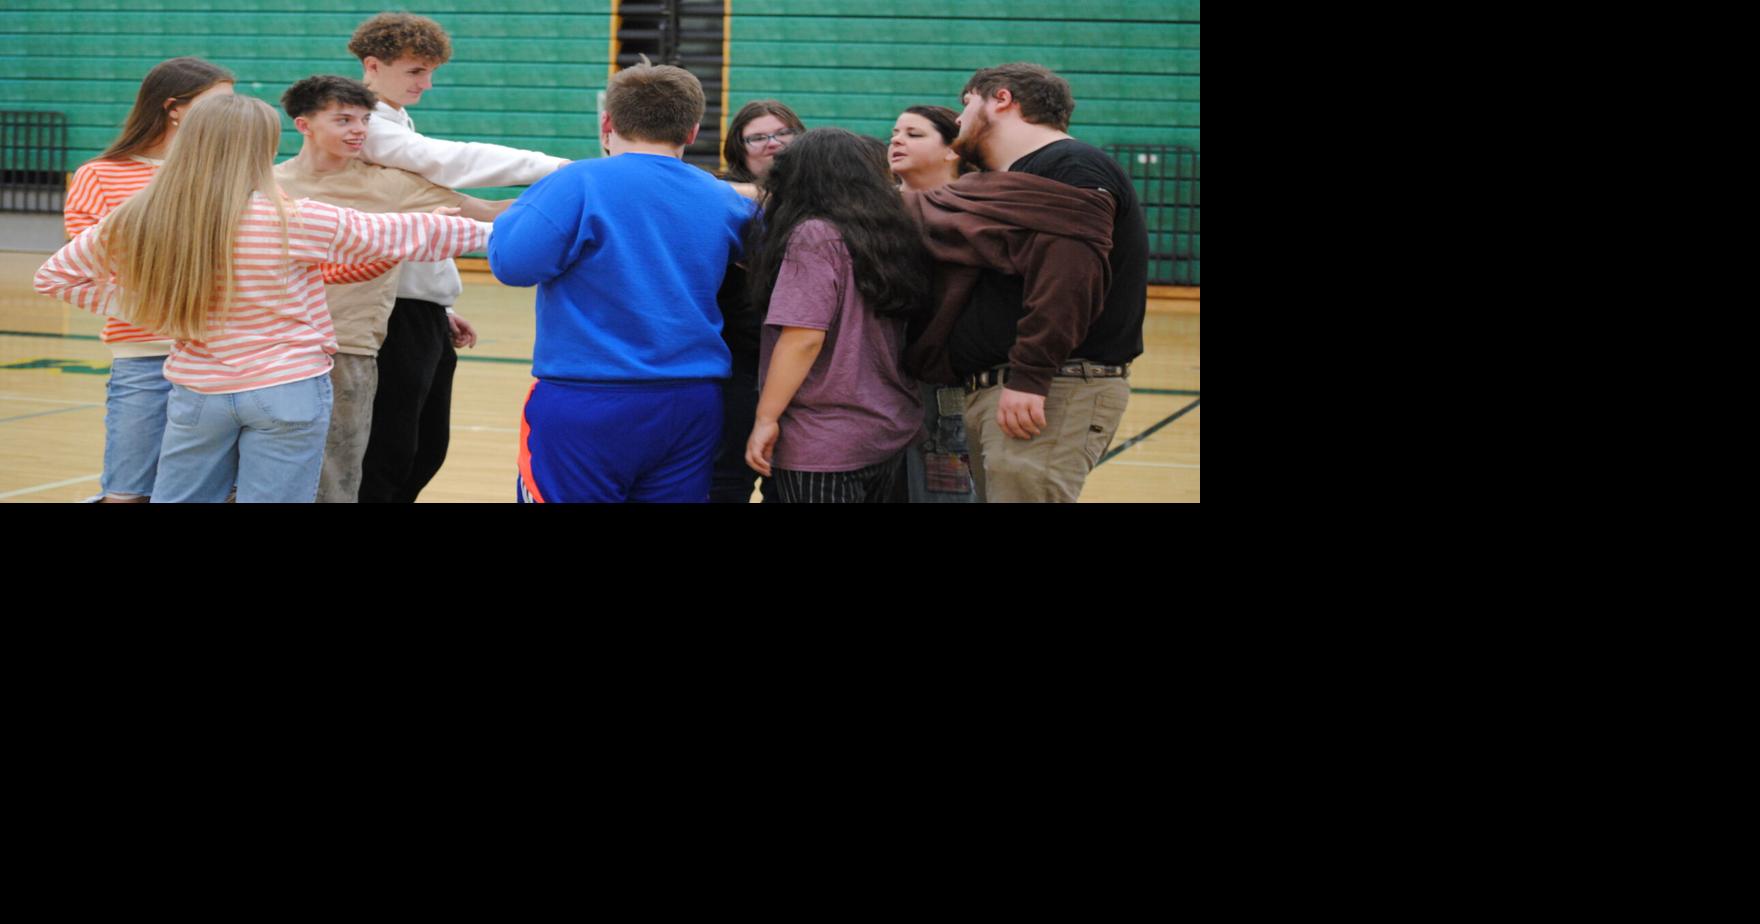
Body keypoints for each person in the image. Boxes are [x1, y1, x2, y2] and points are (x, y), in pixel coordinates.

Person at [35, 95, 492, 503]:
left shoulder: (141, 215)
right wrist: (493, 229)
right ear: (262, 148)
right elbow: (400, 234)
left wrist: (151, 310)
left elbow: (57, 277)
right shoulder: (291, 217)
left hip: (198, 391)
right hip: (288, 389)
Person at [490, 58, 753, 503]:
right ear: (691, 131)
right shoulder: (724, 197)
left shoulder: (577, 182)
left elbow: (513, 265)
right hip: (690, 402)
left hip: (589, 396)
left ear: (608, 122)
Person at [348, 11, 572, 502]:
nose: (426, 84)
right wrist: (560, 169)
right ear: (371, 65)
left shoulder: (395, 121)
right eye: (414, 72)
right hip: (390, 315)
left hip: (420, 311)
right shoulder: (366, 127)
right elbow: (452, 159)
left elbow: (436, 208)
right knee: (390, 451)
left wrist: (440, 304)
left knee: (425, 449)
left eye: (430, 72)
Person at [274, 75, 513, 503]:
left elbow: (489, 215)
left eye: (364, 120)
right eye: (343, 119)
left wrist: (572, 187)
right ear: (303, 124)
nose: (358, 130)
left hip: (351, 347)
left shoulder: (390, 183)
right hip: (275, 351)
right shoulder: (268, 185)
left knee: (359, 469)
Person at [938, 63, 1149, 503]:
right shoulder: (1011, 177)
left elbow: (1068, 277)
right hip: (1009, 387)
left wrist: (1031, 377)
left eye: (966, 104)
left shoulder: (1072, 165)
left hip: (1051, 386)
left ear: (1001, 98)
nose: (958, 120)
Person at [63, 56, 234, 503]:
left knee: (218, 492)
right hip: (144, 356)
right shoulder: (100, 176)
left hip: (225, 358)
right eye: (217, 103)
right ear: (174, 108)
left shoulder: (231, 177)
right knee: (129, 492)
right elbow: (89, 265)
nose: (228, 115)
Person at [740, 129, 927, 503]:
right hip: (887, 426)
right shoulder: (888, 235)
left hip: (823, 439)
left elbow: (804, 337)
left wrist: (765, 419)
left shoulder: (814, 235)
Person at [710, 100, 805, 503]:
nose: (773, 143)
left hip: (803, 369)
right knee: (726, 479)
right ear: (740, 149)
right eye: (759, 137)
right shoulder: (717, 199)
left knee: (789, 485)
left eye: (783, 133)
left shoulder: (825, 200)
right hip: (738, 364)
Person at [888, 104, 977, 503]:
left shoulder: (980, 210)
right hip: (874, 384)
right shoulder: (872, 211)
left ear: (952, 150)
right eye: (894, 132)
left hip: (948, 386)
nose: (896, 139)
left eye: (913, 134)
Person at [889, 105, 964, 192]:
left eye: (913, 134)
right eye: (894, 135)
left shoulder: (976, 202)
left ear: (953, 150)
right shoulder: (875, 201)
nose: (894, 140)